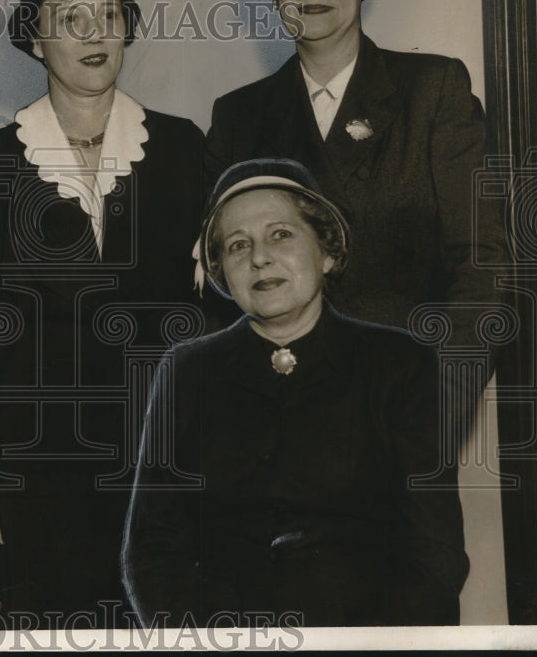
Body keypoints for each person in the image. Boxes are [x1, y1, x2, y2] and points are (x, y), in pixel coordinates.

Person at [0, 0, 205, 627]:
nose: (96, 33)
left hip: (163, 459)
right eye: (71, 18)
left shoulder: (183, 147)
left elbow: (212, 315)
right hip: (42, 466)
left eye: (110, 12)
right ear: (35, 40)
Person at [203, 0, 508, 435]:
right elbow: (222, 293)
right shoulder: (238, 118)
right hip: (279, 429)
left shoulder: (433, 89)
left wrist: (433, 421)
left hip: (405, 423)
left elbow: (483, 273)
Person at [122, 158, 470, 628]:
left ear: (326, 252)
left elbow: (435, 553)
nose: (259, 258)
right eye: (238, 245)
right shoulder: (186, 371)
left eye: (281, 234)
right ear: (223, 272)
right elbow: (152, 548)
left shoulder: (397, 363)